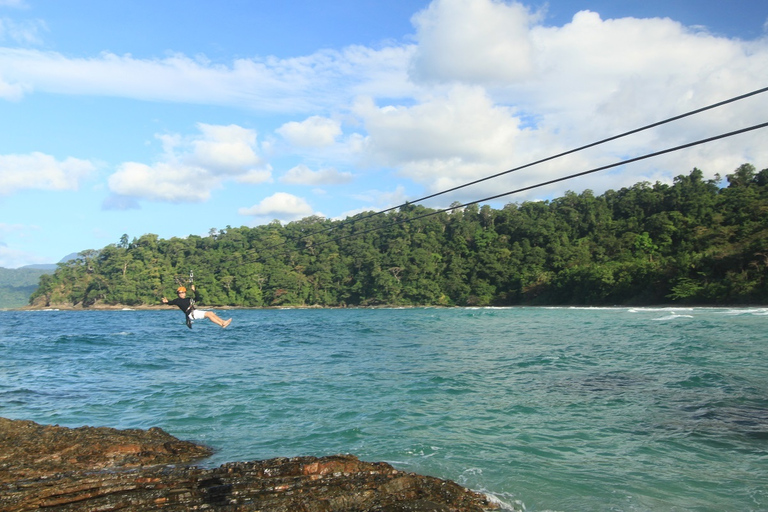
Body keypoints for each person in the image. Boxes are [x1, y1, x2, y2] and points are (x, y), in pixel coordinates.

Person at [162, 285, 232, 328]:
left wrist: (194, 291)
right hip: (191, 314)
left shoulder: (188, 299)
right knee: (208, 314)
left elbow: (198, 298)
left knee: (211, 313)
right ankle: (222, 324)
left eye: (183, 292)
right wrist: (166, 302)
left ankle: (222, 322)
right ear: (178, 294)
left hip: (195, 311)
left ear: (185, 293)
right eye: (180, 293)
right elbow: (170, 302)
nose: (181, 294)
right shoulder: (177, 300)